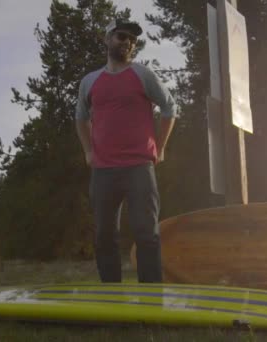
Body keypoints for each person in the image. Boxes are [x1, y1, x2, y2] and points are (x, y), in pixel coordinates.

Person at [74, 18, 177, 283]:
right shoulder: (90, 81)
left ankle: (152, 301)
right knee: (104, 236)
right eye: (122, 36)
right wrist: (88, 151)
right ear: (107, 39)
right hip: (103, 170)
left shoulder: (143, 75)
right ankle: (111, 296)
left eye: (132, 40)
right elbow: (81, 117)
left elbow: (169, 108)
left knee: (146, 233)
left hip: (139, 167)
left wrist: (161, 147)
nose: (127, 42)